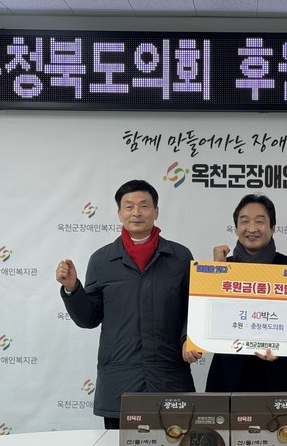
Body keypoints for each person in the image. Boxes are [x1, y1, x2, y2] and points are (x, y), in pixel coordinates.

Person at [56, 179, 196, 430]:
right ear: (119, 213)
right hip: (120, 381)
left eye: (144, 205)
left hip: (169, 377)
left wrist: (190, 339)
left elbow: (193, 308)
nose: (136, 213)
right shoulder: (102, 260)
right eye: (129, 206)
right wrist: (73, 288)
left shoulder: (180, 257)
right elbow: (89, 319)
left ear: (156, 211)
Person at [205, 194, 287, 393]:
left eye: (259, 221)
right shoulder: (220, 267)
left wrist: (285, 347)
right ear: (236, 228)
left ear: (272, 228)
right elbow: (207, 321)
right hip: (227, 375)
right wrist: (218, 274)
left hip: (281, 375)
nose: (251, 228)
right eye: (244, 221)